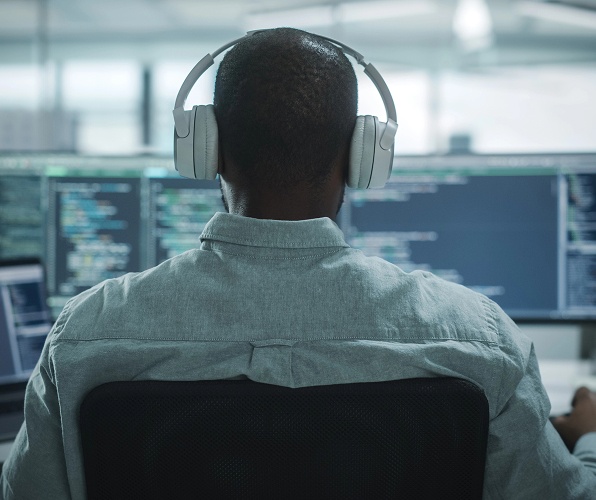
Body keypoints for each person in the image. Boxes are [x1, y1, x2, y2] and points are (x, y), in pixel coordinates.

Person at [1, 27, 596, 499]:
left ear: (207, 149)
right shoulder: (478, 339)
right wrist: (588, 440)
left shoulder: (85, 336)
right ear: (362, 155)